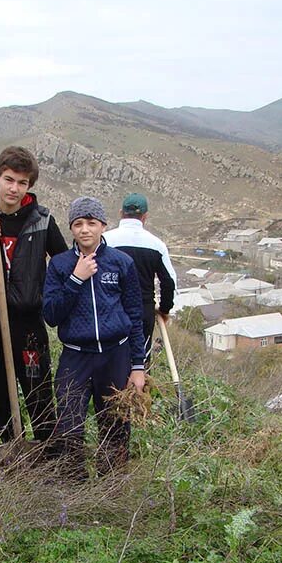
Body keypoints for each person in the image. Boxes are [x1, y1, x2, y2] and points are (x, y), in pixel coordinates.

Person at [0, 146, 67, 443]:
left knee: (37, 389)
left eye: (22, 183)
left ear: (29, 186)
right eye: (9, 179)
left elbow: (62, 262)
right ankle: (13, 451)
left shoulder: (41, 221)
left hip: (28, 323)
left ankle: (48, 452)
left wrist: (45, 295)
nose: (14, 188)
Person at [42, 197, 146, 475]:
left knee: (116, 423)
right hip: (76, 356)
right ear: (71, 229)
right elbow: (51, 314)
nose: (85, 229)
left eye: (91, 222)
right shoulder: (60, 265)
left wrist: (138, 367)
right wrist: (77, 278)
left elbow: (135, 316)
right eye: (78, 223)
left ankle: (112, 485)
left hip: (116, 355)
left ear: (103, 225)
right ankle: (75, 489)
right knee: (69, 423)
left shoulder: (121, 263)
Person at [103, 193, 177, 364]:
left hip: (110, 308)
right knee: (140, 359)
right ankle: (139, 390)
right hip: (143, 310)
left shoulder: (106, 240)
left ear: (121, 213)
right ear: (145, 217)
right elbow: (168, 282)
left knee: (110, 360)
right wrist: (165, 309)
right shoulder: (156, 244)